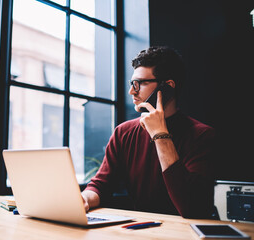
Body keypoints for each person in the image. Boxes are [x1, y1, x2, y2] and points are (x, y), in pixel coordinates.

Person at [81, 46, 216, 219]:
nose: (132, 91)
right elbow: (101, 185)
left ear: (168, 86)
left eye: (142, 83)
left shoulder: (202, 136)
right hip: (141, 230)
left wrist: (160, 135)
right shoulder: (124, 133)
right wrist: (83, 198)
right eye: (132, 83)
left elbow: (192, 208)